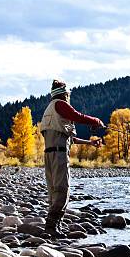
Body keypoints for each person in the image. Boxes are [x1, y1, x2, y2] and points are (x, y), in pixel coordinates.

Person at [40, 79, 104, 238]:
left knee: (54, 191)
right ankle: (51, 226)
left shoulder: (50, 109)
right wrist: (95, 121)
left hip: (50, 154)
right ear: (64, 93)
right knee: (63, 190)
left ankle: (54, 228)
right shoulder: (60, 104)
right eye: (68, 93)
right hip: (59, 154)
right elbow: (77, 116)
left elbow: (69, 138)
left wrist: (89, 142)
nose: (69, 96)